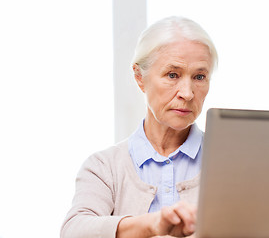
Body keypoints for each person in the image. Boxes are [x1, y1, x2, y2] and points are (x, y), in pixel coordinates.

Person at [60, 16, 218, 238]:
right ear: (139, 77)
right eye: (172, 75)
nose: (188, 93)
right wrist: (151, 224)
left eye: (199, 76)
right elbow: (74, 231)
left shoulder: (232, 164)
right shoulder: (104, 167)